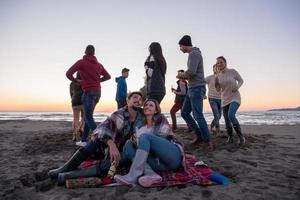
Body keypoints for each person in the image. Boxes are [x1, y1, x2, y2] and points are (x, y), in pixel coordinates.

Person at [48, 92, 144, 185]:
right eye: (135, 97)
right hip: (110, 148)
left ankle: (69, 175)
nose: (138, 100)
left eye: (140, 99)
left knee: (122, 157)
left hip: (126, 152)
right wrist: (111, 144)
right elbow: (103, 127)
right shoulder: (118, 114)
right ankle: (66, 168)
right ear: (128, 100)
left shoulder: (143, 117)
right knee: (97, 139)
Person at [114, 99, 185, 187]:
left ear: (156, 110)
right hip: (159, 164)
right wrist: (135, 142)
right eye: (146, 105)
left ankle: (133, 175)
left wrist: (143, 142)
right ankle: (150, 173)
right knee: (129, 144)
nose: (147, 106)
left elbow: (164, 139)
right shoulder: (140, 128)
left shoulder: (160, 119)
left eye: (151, 105)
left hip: (172, 157)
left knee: (144, 137)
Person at [66, 45, 111, 147]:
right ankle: (84, 140)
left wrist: (77, 81)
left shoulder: (81, 62)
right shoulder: (99, 65)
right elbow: (108, 76)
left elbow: (68, 73)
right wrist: (97, 80)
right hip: (98, 92)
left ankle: (103, 139)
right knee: (86, 118)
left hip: (88, 92)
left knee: (88, 117)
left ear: (85, 52)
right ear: (94, 53)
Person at [176, 35, 212, 150]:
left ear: (185, 44)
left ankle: (207, 141)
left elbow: (191, 72)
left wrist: (180, 75)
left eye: (180, 46)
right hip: (192, 88)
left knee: (197, 115)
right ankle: (199, 134)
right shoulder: (193, 54)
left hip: (197, 88)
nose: (180, 49)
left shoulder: (194, 54)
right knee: (185, 113)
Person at [215, 56, 245, 145]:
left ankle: (241, 137)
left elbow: (241, 80)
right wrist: (216, 82)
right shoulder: (217, 76)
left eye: (221, 62)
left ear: (225, 63)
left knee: (231, 115)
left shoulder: (232, 71)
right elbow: (218, 89)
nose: (219, 64)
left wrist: (237, 87)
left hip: (235, 97)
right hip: (224, 99)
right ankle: (230, 137)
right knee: (227, 119)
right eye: (218, 63)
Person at [205, 64, 222, 135]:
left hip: (221, 99)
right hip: (212, 98)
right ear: (213, 69)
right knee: (216, 114)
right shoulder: (209, 78)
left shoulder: (222, 77)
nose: (216, 69)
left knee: (219, 115)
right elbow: (201, 83)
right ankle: (218, 130)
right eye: (214, 68)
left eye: (217, 68)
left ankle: (211, 126)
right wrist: (203, 93)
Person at [69, 72, 85, 142]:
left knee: (75, 119)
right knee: (83, 118)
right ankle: (81, 129)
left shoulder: (72, 83)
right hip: (84, 100)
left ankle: (74, 135)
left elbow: (71, 94)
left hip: (75, 101)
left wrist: (73, 100)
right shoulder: (85, 81)